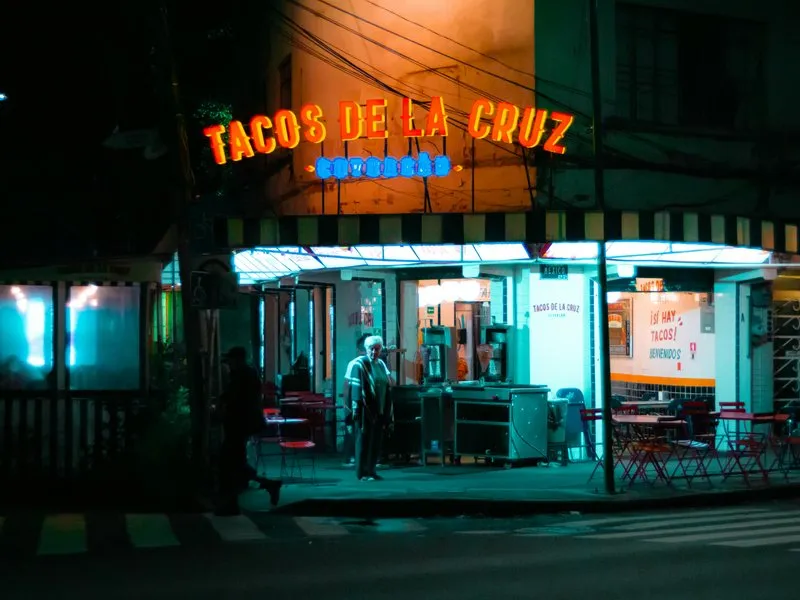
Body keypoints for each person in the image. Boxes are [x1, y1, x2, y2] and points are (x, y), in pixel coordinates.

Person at [215, 346, 282, 516]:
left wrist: (221, 403)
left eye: (231, 360)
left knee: (230, 462)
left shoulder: (243, 375)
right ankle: (266, 485)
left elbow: (235, 398)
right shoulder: (247, 374)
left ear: (237, 360)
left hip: (239, 424)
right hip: (242, 424)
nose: (229, 364)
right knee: (234, 462)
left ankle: (232, 502)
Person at [346, 335, 393, 481]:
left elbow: (388, 384)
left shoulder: (380, 365)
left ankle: (371, 470)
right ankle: (362, 473)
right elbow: (353, 390)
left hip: (379, 408)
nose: (374, 352)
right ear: (366, 349)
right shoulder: (359, 364)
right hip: (364, 410)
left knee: (376, 442)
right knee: (363, 442)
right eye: (371, 349)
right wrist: (354, 410)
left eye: (377, 349)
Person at [341, 333, 370, 467]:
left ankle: (356, 457)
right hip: (359, 403)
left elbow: (346, 386)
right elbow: (347, 386)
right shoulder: (355, 363)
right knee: (355, 430)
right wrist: (347, 404)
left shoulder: (374, 362)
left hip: (364, 403)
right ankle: (353, 457)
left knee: (357, 430)